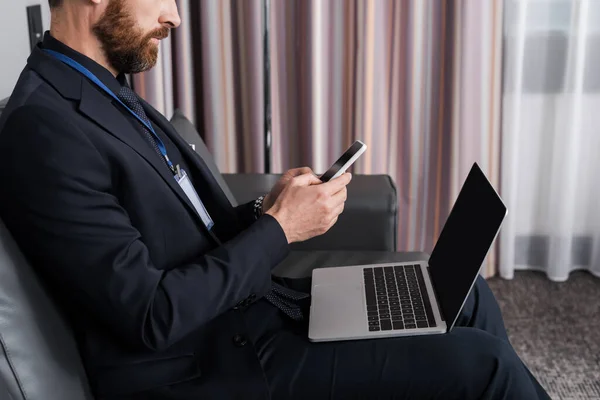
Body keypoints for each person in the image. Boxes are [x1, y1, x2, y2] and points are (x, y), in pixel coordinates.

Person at [0, 0, 551, 399]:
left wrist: (271, 208)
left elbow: (179, 231)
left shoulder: (105, 88)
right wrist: (280, 230)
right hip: (209, 364)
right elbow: (150, 315)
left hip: (251, 315)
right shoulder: (42, 128)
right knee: (486, 365)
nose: (174, 16)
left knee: (467, 295)